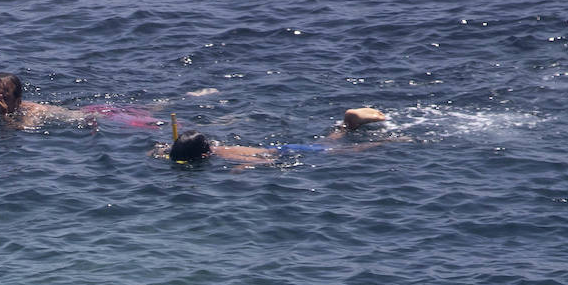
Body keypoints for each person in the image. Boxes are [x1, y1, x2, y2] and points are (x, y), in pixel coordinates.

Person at [156, 105, 392, 166]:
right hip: (284, 146)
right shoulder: (217, 148)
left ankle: (390, 140)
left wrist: (243, 168)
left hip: (286, 151)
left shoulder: (225, 156)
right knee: (332, 140)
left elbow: (264, 161)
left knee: (341, 150)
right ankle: (348, 124)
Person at [0, 71, 96, 129]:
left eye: (5, 98)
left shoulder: (33, 112)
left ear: (18, 102)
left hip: (87, 115)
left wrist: (4, 115)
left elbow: (26, 129)